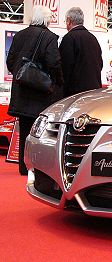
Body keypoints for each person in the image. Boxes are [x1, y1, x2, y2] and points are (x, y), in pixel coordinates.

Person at [6, 5, 63, 176]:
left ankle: (23, 167)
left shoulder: (20, 35)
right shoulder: (49, 37)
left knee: (24, 129)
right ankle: (37, 167)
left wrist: (21, 74)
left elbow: (11, 61)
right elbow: (53, 63)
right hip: (41, 92)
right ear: (46, 19)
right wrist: (58, 82)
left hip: (22, 91)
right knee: (41, 131)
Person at [59, 7, 103, 97]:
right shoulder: (93, 38)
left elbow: (65, 67)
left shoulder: (69, 38)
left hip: (75, 93)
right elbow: (100, 64)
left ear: (68, 20)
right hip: (94, 91)